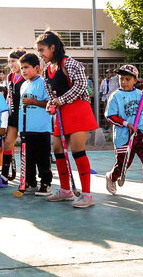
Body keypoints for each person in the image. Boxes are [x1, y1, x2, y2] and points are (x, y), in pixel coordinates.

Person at [37, 30, 98, 208]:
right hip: (62, 113)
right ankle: (65, 191)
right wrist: (51, 104)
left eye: (42, 50)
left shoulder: (70, 63)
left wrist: (60, 100)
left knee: (78, 151)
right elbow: (51, 94)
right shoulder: (47, 70)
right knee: (58, 150)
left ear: (53, 47)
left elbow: (80, 86)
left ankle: (87, 195)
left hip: (78, 109)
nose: (40, 54)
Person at [17, 53, 53, 195]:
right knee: (28, 157)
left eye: (26, 67)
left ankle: (45, 183)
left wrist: (34, 102)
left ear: (37, 68)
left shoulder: (44, 83)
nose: (23, 71)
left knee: (42, 158)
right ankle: (30, 182)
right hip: (26, 128)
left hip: (41, 128)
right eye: (21, 68)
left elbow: (49, 103)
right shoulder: (24, 85)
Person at [105, 65, 143, 195]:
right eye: (122, 79)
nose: (124, 82)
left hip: (140, 133)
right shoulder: (115, 96)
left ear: (135, 80)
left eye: (128, 79)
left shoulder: (140, 95)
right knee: (122, 165)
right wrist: (126, 124)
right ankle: (111, 177)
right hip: (124, 136)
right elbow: (110, 116)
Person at [0, 48, 26, 183]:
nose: (11, 64)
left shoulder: (28, 75)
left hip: (26, 116)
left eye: (14, 61)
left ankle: (28, 176)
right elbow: (9, 97)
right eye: (9, 61)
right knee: (8, 143)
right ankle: (4, 175)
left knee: (26, 147)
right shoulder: (10, 77)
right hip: (13, 115)